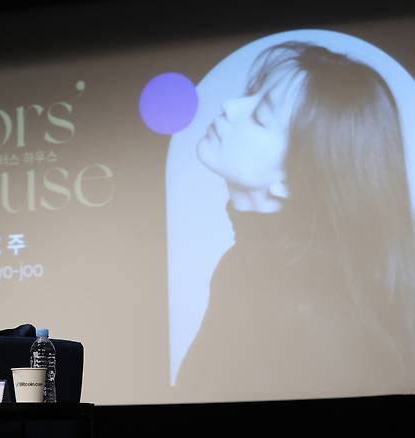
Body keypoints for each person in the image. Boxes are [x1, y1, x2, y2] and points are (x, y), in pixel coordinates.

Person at [175, 42, 415, 401]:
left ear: (292, 179)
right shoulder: (246, 269)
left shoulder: (310, 313)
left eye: (260, 115)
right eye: (250, 95)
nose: (230, 107)